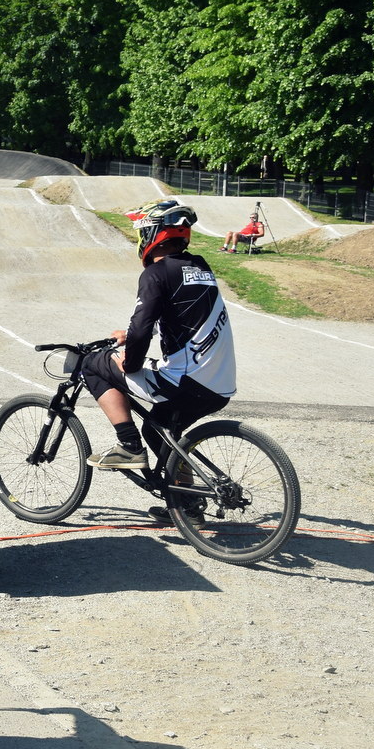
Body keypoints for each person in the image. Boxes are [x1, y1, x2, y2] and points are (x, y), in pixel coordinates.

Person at [82, 199, 236, 522]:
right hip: (218, 382)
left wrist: (129, 361)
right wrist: (131, 335)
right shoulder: (201, 267)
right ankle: (187, 509)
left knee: (93, 365)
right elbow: (181, 316)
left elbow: (141, 330)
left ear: (153, 235)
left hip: (186, 381)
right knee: (159, 431)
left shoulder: (155, 273)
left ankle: (128, 446)